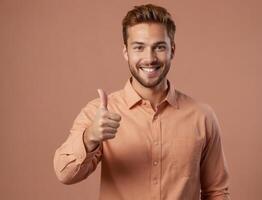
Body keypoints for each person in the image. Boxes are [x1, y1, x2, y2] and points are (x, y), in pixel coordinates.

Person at [53, 4, 231, 200]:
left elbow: (216, 193)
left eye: (159, 47)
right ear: (126, 52)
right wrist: (90, 137)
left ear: (172, 50)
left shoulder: (202, 117)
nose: (149, 58)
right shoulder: (100, 112)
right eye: (139, 47)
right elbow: (64, 173)